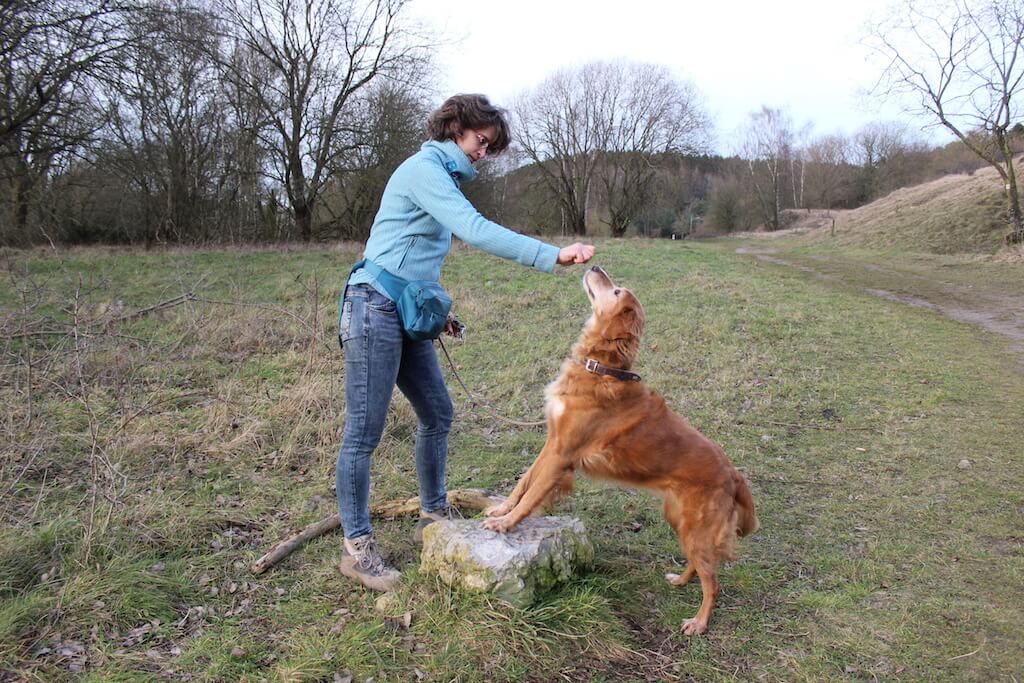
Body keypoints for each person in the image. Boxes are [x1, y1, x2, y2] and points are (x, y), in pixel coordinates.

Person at [336, 93, 595, 591]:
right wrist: (551, 256)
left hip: (407, 309)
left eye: (490, 147)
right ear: (456, 128)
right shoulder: (423, 168)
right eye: (481, 141)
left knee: (438, 414)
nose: (483, 152)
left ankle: (433, 513)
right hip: (373, 306)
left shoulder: (443, 175)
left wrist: (440, 309)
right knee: (364, 432)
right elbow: (472, 229)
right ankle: (357, 545)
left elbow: (410, 252)